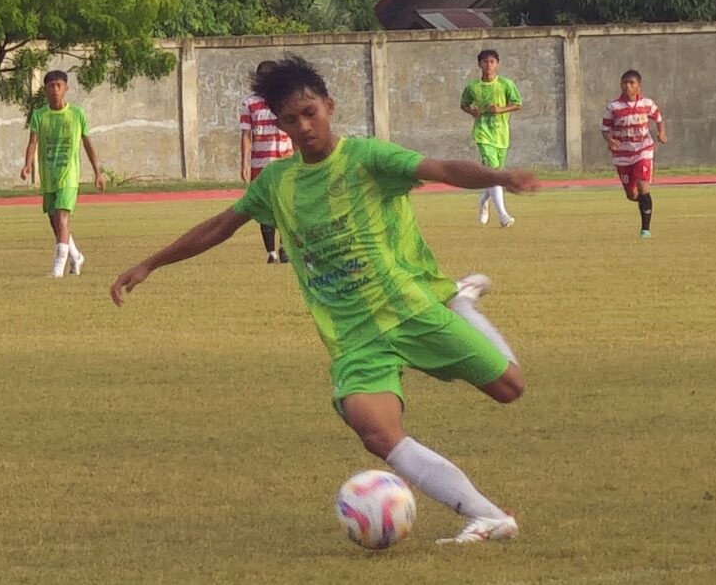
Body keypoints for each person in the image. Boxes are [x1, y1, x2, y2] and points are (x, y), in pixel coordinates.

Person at [110, 56, 539, 544]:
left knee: (510, 388)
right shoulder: (277, 182)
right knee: (377, 433)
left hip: (409, 309)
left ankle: (461, 303)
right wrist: (150, 263)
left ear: (329, 106)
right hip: (354, 336)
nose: (304, 126)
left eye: (310, 112)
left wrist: (500, 178)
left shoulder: (367, 158)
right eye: (291, 120)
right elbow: (220, 225)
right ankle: (486, 516)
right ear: (279, 124)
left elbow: (440, 167)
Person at [20, 70, 105, 277]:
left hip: (69, 175)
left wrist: (97, 172)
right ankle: (76, 256)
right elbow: (33, 142)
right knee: (54, 222)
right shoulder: (40, 115)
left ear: (66, 88)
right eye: (51, 86)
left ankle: (57, 269)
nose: (55, 89)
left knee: (62, 219)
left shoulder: (77, 114)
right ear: (45, 89)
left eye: (59, 85)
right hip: (49, 176)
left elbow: (88, 144)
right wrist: (27, 164)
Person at [601, 69, 667, 238]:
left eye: (632, 83)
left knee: (643, 185)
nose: (628, 86)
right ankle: (646, 203)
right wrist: (609, 141)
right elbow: (605, 129)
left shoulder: (647, 104)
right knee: (632, 195)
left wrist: (661, 133)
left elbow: (658, 118)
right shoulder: (613, 107)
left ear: (639, 86)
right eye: (625, 83)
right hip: (623, 155)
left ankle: (645, 230)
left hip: (643, 150)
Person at [240, 60, 295, 264]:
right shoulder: (249, 103)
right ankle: (271, 252)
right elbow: (246, 135)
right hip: (260, 163)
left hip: (285, 160)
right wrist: (244, 163)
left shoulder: (285, 100)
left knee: (285, 205)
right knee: (265, 207)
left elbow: (294, 129)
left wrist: (299, 156)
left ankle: (284, 249)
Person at [460, 49, 523, 228]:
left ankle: (483, 201)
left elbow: (517, 104)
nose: (488, 65)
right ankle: (503, 216)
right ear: (479, 64)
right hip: (483, 134)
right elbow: (464, 104)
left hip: (501, 134)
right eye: (485, 62)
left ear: (497, 64)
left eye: (492, 62)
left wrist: (501, 109)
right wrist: (472, 111)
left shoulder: (505, 84)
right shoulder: (473, 87)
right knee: (495, 173)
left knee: (496, 176)